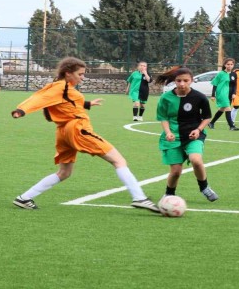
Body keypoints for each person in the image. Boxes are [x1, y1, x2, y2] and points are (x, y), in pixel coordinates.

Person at [11, 56, 159, 213]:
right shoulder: (61, 87)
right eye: (80, 74)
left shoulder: (64, 87)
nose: (83, 77)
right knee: (119, 160)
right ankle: (140, 198)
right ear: (68, 73)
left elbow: (67, 102)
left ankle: (24, 198)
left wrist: (87, 103)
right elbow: (39, 98)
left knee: (64, 172)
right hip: (77, 129)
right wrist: (21, 110)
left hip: (63, 132)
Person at [155, 67, 219, 201]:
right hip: (173, 138)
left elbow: (207, 117)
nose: (182, 84)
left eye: (186, 80)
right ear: (174, 81)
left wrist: (198, 130)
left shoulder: (199, 97)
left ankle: (204, 187)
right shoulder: (166, 97)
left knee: (196, 160)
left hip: (193, 135)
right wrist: (168, 132)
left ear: (191, 81)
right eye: (179, 81)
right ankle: (169, 194)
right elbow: (163, 117)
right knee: (176, 171)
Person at [208, 58, 239, 130]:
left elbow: (235, 85)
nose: (229, 66)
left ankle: (211, 123)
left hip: (229, 93)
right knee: (228, 108)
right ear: (225, 65)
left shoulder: (234, 74)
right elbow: (215, 84)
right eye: (228, 64)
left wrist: (234, 93)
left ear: (233, 65)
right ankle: (231, 126)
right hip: (221, 93)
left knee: (222, 109)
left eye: (231, 64)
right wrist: (213, 95)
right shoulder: (221, 74)